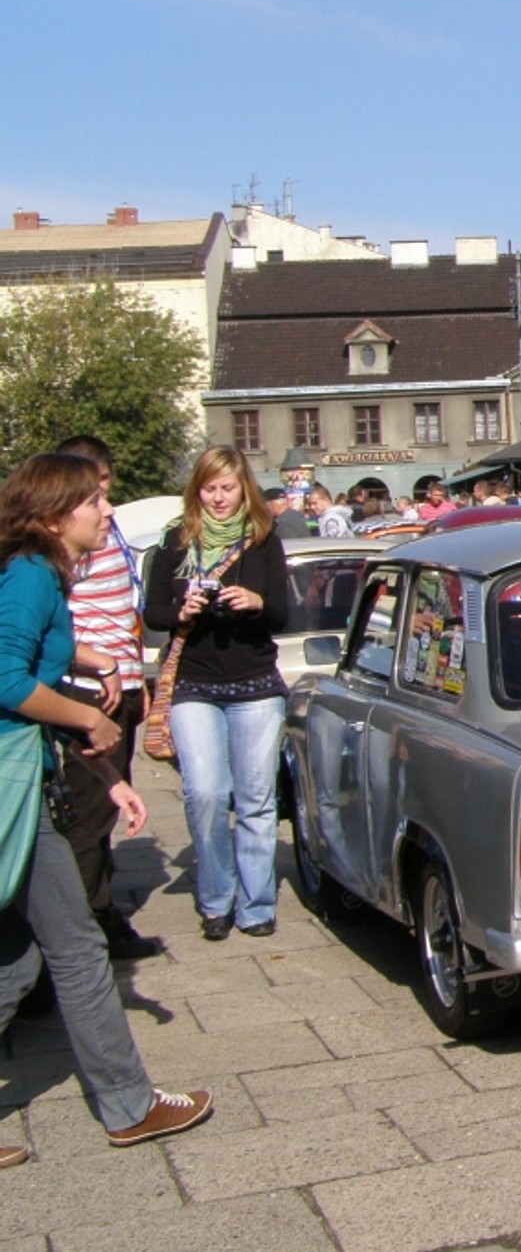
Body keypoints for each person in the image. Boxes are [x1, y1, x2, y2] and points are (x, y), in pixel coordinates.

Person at [0, 453, 214, 1164]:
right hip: (13, 787)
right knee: (74, 950)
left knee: (21, 958)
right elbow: (5, 681)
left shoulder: (40, 577)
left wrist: (104, 766)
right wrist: (94, 723)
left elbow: (30, 668)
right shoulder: (31, 577)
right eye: (95, 501)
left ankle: (129, 1103)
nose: (106, 512)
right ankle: (129, 1104)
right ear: (58, 513)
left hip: (31, 777)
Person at [144, 447, 290, 943]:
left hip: (254, 682)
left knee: (255, 799)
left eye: (227, 488)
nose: (219, 498)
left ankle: (256, 904)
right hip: (194, 683)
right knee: (205, 793)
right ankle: (215, 898)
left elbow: (283, 614)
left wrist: (256, 601)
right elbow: (153, 612)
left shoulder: (264, 539)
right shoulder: (175, 540)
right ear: (197, 490)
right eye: (210, 488)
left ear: (243, 487)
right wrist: (182, 612)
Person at [51, 436, 160, 961]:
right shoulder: (61, 548)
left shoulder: (107, 530)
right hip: (90, 690)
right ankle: (84, 927)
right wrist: (96, 662)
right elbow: (53, 629)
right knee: (88, 812)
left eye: (106, 482)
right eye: (94, 488)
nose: (105, 498)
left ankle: (97, 911)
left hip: (125, 684)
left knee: (109, 805)